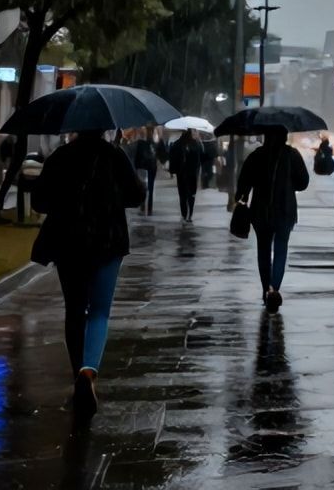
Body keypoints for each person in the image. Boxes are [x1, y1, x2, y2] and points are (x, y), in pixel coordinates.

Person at [30, 128, 144, 418]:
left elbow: (39, 201)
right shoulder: (114, 155)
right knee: (99, 311)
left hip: (69, 243)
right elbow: (136, 195)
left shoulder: (60, 157)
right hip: (108, 241)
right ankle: (88, 370)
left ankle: (77, 374)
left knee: (75, 309)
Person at [236, 128, 310, 312]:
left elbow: (244, 181)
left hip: (261, 211)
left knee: (263, 249)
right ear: (285, 137)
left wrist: (242, 195)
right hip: (285, 210)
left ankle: (265, 289)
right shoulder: (292, 155)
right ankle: (273, 288)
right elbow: (303, 182)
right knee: (281, 249)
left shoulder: (257, 155)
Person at [168, 130, 205, 222]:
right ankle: (189, 214)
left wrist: (173, 170)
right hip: (192, 173)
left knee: (183, 194)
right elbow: (201, 158)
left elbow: (172, 158)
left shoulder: (178, 144)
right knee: (191, 194)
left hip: (182, 173)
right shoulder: (195, 144)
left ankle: (185, 214)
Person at [131, 129, 159, 215]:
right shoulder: (153, 144)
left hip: (145, 168)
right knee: (149, 188)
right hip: (148, 168)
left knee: (146, 187)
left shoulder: (142, 143)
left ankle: (145, 205)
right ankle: (147, 207)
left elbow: (137, 157)